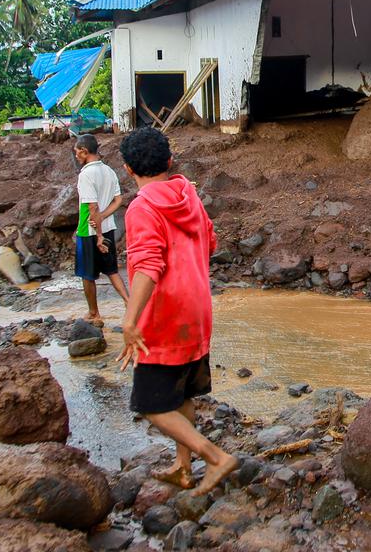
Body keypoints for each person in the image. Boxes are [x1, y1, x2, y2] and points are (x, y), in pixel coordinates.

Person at [115, 127, 236, 495]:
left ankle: (214, 457)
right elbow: (211, 241)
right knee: (180, 395)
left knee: (150, 405)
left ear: (128, 169)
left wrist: (130, 319)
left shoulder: (142, 207)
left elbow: (148, 266)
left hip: (166, 316)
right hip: (198, 311)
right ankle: (183, 469)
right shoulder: (189, 193)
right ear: (169, 161)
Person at [73, 134, 129, 324]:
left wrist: (97, 235)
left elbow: (92, 207)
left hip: (88, 231)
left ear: (84, 151)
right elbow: (118, 200)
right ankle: (129, 304)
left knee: (87, 275)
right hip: (109, 228)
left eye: (76, 152)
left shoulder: (86, 174)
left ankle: (94, 313)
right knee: (112, 270)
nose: (76, 156)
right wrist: (105, 217)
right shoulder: (109, 171)